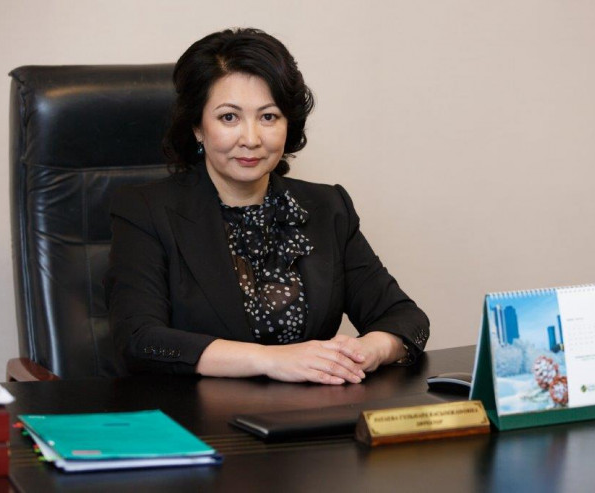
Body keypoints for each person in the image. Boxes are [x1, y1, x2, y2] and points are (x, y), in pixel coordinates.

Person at [105, 28, 429, 385]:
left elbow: (406, 318)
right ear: (197, 126)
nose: (251, 139)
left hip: (309, 412)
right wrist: (271, 360)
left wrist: (368, 350)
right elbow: (138, 340)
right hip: (195, 412)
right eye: (229, 117)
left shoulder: (327, 207)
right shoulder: (145, 210)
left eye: (269, 117)